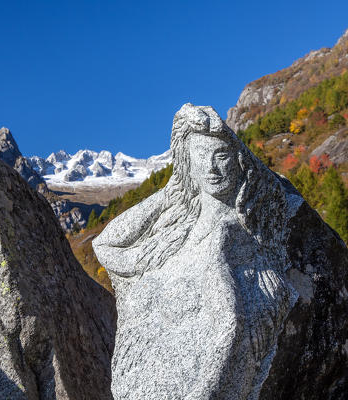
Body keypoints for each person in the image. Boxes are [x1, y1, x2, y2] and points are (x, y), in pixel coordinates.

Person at [93, 104, 298, 399]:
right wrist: (172, 192)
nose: (212, 167)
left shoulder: (231, 231)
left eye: (221, 155)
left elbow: (229, 324)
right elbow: (105, 244)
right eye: (201, 156)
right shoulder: (179, 220)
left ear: (239, 162)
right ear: (187, 161)